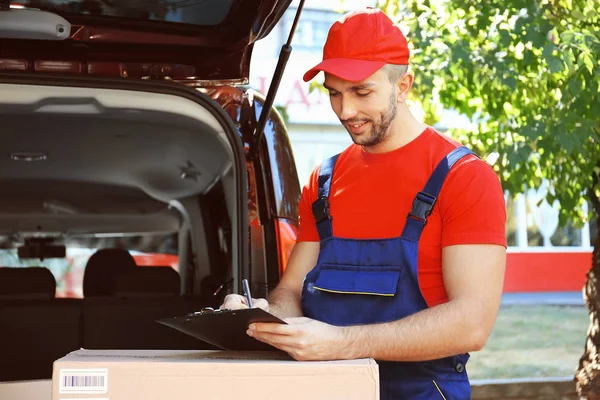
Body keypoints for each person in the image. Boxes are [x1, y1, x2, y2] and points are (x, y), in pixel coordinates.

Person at [222, 7, 506, 399]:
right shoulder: (323, 182)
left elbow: (472, 324)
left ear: (403, 85)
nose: (345, 111)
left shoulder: (464, 178)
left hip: (422, 390)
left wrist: (342, 343)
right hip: (325, 389)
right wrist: (267, 320)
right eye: (334, 93)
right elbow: (290, 291)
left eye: (361, 92)